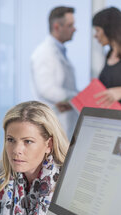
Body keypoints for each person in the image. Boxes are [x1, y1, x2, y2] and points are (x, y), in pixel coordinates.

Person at [30, 6, 79, 139]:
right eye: (70, 25)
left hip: (64, 119)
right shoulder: (45, 53)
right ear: (57, 27)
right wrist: (78, 98)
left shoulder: (58, 52)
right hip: (55, 119)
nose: (75, 29)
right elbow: (46, 89)